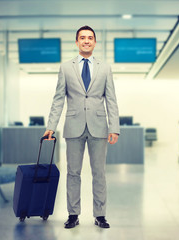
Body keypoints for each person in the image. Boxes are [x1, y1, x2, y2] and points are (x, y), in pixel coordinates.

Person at [43, 25, 120, 229]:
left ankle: (100, 214)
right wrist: (51, 125)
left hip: (99, 126)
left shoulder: (105, 67)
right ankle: (73, 214)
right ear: (76, 42)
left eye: (90, 38)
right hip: (74, 126)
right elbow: (58, 98)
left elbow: (111, 99)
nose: (86, 41)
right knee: (73, 172)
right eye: (82, 38)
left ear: (95, 42)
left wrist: (114, 127)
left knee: (99, 173)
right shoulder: (66, 67)